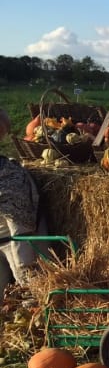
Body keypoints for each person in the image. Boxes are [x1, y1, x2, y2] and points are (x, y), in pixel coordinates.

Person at [0, 109, 41, 296]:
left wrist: (24, 270)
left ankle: (30, 297)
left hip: (9, 240)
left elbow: (19, 231)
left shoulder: (12, 177)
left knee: (24, 278)